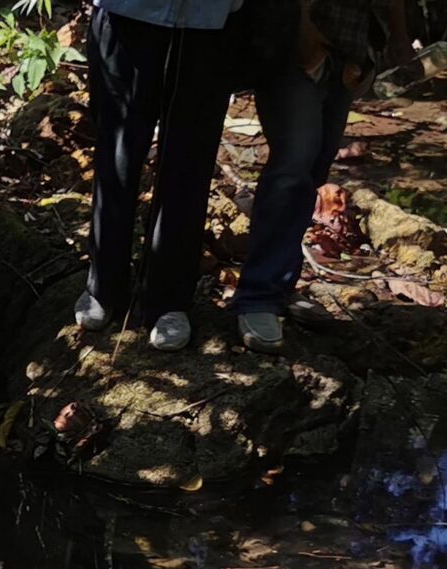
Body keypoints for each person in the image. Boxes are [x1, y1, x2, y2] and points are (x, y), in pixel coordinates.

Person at [233, 0, 404, 353]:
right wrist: (303, 31)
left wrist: (396, 37)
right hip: (297, 41)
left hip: (350, 44)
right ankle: (257, 297)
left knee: (314, 168)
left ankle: (280, 284)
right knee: (292, 164)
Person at [77, 0, 244, 352]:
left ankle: (169, 301)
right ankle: (103, 287)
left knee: (190, 161)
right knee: (117, 153)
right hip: (127, 14)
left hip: (209, 23)